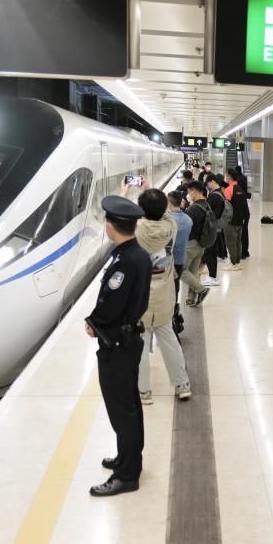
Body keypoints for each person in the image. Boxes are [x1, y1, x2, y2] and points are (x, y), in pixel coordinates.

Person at [85, 195, 152, 497]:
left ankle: (127, 475)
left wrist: (93, 322)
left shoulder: (126, 261)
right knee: (129, 406)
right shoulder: (136, 254)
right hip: (128, 339)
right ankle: (128, 457)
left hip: (118, 345)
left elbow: (112, 304)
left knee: (122, 410)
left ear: (110, 226)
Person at [128, 188, 192, 405]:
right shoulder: (171, 227)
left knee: (140, 344)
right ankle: (182, 385)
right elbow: (166, 213)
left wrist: (130, 194)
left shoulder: (136, 231)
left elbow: (124, 218)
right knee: (169, 340)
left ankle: (144, 392)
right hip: (165, 294)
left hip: (140, 296)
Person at [181, 182, 212, 307]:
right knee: (193, 271)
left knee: (180, 270)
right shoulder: (206, 204)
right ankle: (191, 298)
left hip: (191, 244)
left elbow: (184, 225)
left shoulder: (193, 209)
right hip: (200, 244)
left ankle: (202, 290)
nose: (188, 195)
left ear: (193, 191)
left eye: (189, 192)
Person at [202, 174, 227, 285]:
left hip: (211, 229)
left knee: (208, 253)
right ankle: (213, 276)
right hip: (217, 228)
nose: (207, 185)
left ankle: (212, 277)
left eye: (208, 183)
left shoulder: (213, 196)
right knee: (212, 253)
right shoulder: (220, 193)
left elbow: (209, 214)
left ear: (212, 182)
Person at [222, 168, 248, 271]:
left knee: (230, 242)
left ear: (229, 176)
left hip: (231, 221)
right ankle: (237, 262)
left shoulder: (229, 189)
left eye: (226, 175)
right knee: (238, 242)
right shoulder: (240, 189)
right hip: (239, 220)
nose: (225, 177)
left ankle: (233, 263)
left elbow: (226, 206)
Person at [167, 191, 191, 300]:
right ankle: (175, 305)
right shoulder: (188, 219)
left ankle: (171, 306)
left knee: (168, 286)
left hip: (169, 260)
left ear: (169, 204)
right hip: (181, 258)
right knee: (176, 284)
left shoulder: (168, 220)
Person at [235, 165, 251, 258]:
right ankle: (245, 251)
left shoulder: (236, 185)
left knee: (239, 232)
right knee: (245, 231)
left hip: (239, 209)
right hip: (244, 205)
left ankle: (241, 252)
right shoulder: (245, 177)